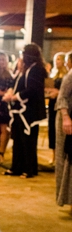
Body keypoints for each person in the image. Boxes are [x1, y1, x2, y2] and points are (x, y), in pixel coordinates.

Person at [4, 43, 47, 178]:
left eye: (23, 53)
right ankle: (17, 167)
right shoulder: (27, 69)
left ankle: (29, 169)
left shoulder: (37, 69)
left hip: (29, 111)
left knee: (28, 141)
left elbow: (33, 90)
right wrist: (10, 93)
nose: (21, 56)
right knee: (18, 139)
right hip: (20, 110)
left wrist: (14, 97)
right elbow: (17, 85)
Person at [56, 55, 72, 207]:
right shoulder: (70, 75)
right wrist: (66, 117)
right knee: (66, 158)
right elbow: (62, 98)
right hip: (68, 119)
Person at [47, 51, 66, 165]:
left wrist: (57, 93)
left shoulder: (67, 75)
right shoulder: (53, 74)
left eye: (59, 59)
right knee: (52, 129)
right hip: (52, 103)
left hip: (61, 104)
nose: (57, 61)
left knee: (60, 130)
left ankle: (60, 156)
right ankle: (53, 156)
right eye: (56, 59)